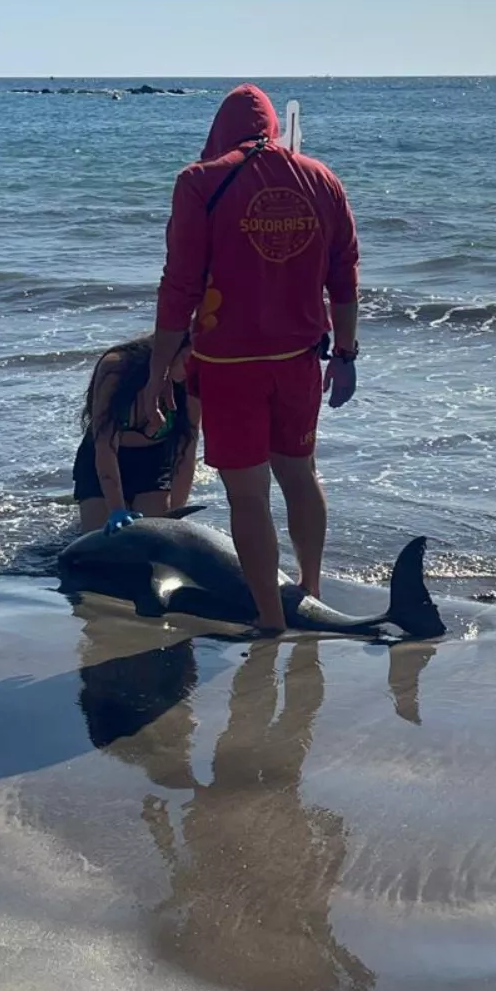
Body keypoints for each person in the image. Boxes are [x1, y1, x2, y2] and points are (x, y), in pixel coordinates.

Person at [140, 85, 360, 633]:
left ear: (219, 131)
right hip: (301, 359)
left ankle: (271, 619)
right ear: (273, 128)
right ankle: (310, 589)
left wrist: (156, 373)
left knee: (247, 495)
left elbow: (180, 285)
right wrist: (346, 354)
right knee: (300, 475)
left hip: (230, 367)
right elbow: (345, 275)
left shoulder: (199, 182)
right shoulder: (322, 178)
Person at [74, 332, 200, 533]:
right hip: (103, 460)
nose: (193, 366)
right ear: (170, 346)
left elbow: (186, 453)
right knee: (103, 537)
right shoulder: (116, 368)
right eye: (189, 357)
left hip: (154, 464)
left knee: (155, 533)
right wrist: (117, 508)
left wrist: (176, 513)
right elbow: (104, 445)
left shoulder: (194, 379)